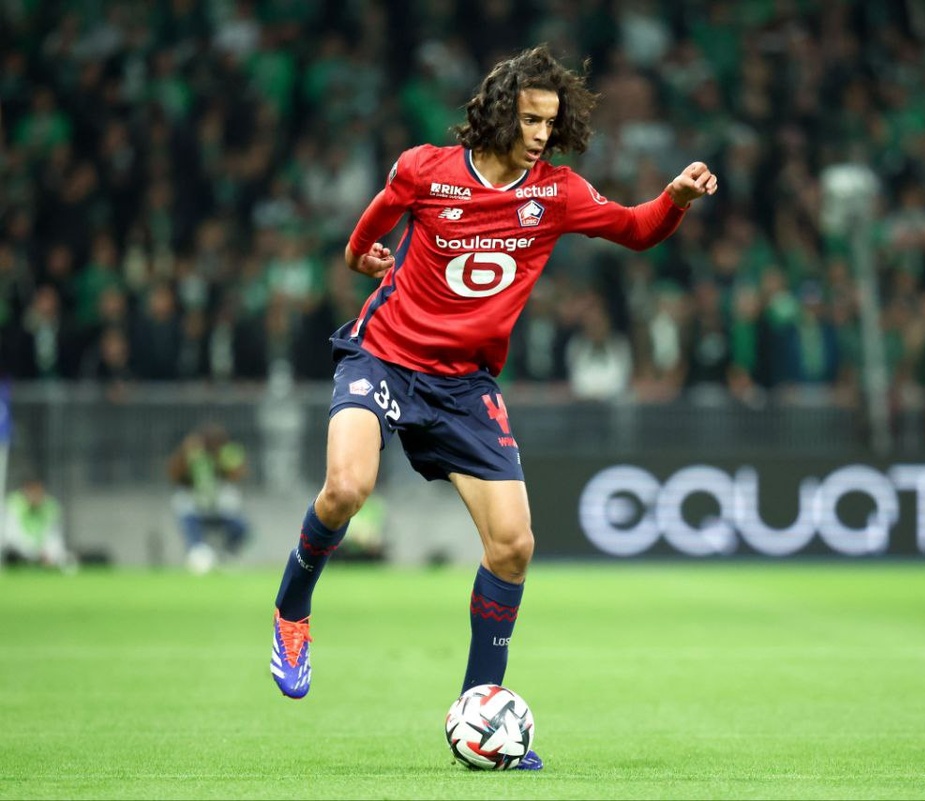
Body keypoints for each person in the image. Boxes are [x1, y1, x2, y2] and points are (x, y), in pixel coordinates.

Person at [268, 44, 717, 771]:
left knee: (513, 545)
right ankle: (293, 608)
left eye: (550, 122)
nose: (541, 134)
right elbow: (364, 235)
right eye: (531, 119)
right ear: (502, 112)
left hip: (464, 386)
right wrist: (361, 259)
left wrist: (676, 199)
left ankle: (479, 710)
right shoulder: (424, 169)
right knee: (347, 488)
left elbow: (637, 229)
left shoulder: (557, 193)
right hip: (384, 355)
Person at [167, 423, 249, 574]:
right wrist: (188, 455)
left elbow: (237, 475)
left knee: (240, 527)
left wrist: (223, 462)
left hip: (220, 509)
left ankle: (227, 555)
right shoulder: (192, 455)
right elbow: (175, 475)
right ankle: (198, 553)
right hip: (196, 507)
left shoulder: (226, 455)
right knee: (188, 520)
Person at [2, 476, 77, 572]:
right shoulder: (14, 503)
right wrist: (35, 551)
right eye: (32, 492)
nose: (35, 495)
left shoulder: (50, 506)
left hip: (42, 550)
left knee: (66, 559)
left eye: (38, 491)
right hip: (17, 550)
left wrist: (49, 551)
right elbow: (11, 535)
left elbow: (54, 536)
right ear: (25, 491)